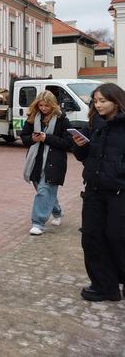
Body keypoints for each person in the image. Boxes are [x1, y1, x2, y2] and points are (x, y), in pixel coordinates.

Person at [72, 83, 125, 302]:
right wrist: (79, 145)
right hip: (93, 191)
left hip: (120, 192)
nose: (98, 104)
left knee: (117, 238)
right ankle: (105, 286)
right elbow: (83, 156)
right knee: (92, 238)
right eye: (95, 101)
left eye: (103, 100)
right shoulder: (93, 123)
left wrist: (119, 170)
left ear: (116, 101)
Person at [20, 91, 72, 236]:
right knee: (44, 191)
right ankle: (58, 212)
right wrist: (33, 139)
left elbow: (68, 143)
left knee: (44, 191)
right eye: (41, 105)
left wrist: (46, 138)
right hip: (35, 161)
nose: (43, 108)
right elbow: (24, 138)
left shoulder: (62, 119)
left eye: (46, 105)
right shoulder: (32, 118)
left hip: (54, 162)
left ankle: (38, 223)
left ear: (53, 105)